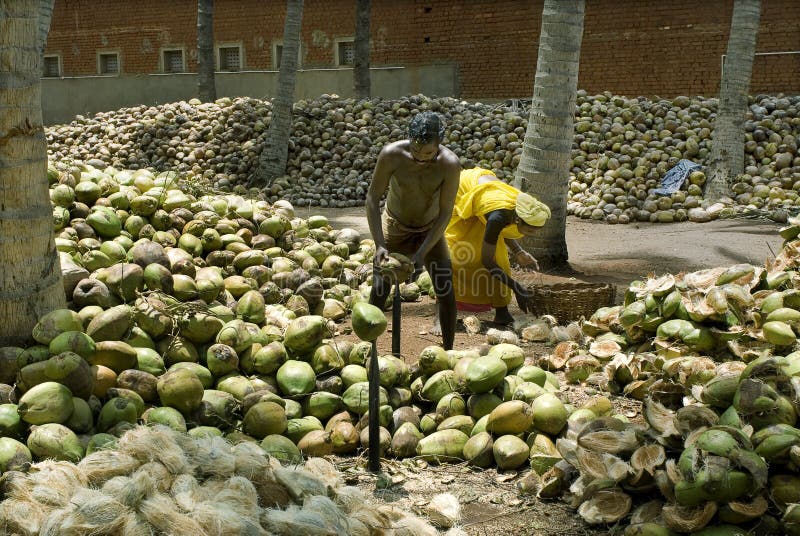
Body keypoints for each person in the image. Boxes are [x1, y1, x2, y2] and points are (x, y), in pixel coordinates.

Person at [366, 111, 461, 350]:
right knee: (380, 288)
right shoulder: (391, 155)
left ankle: (448, 350)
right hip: (395, 228)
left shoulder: (449, 164)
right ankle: (369, 348)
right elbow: (372, 198)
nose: (420, 158)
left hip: (429, 230)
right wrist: (380, 244)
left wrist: (422, 252)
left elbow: (445, 213)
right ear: (409, 139)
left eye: (428, 153)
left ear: (439, 145)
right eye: (416, 151)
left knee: (445, 289)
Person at [445, 167, 551, 326]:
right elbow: (488, 260)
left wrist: (519, 252)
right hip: (461, 190)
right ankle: (441, 316)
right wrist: (516, 288)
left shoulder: (522, 206)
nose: (532, 234)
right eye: (529, 230)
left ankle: (502, 313)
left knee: (500, 257)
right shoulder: (497, 217)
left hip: (486, 192)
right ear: (518, 220)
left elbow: (500, 230)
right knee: (457, 256)